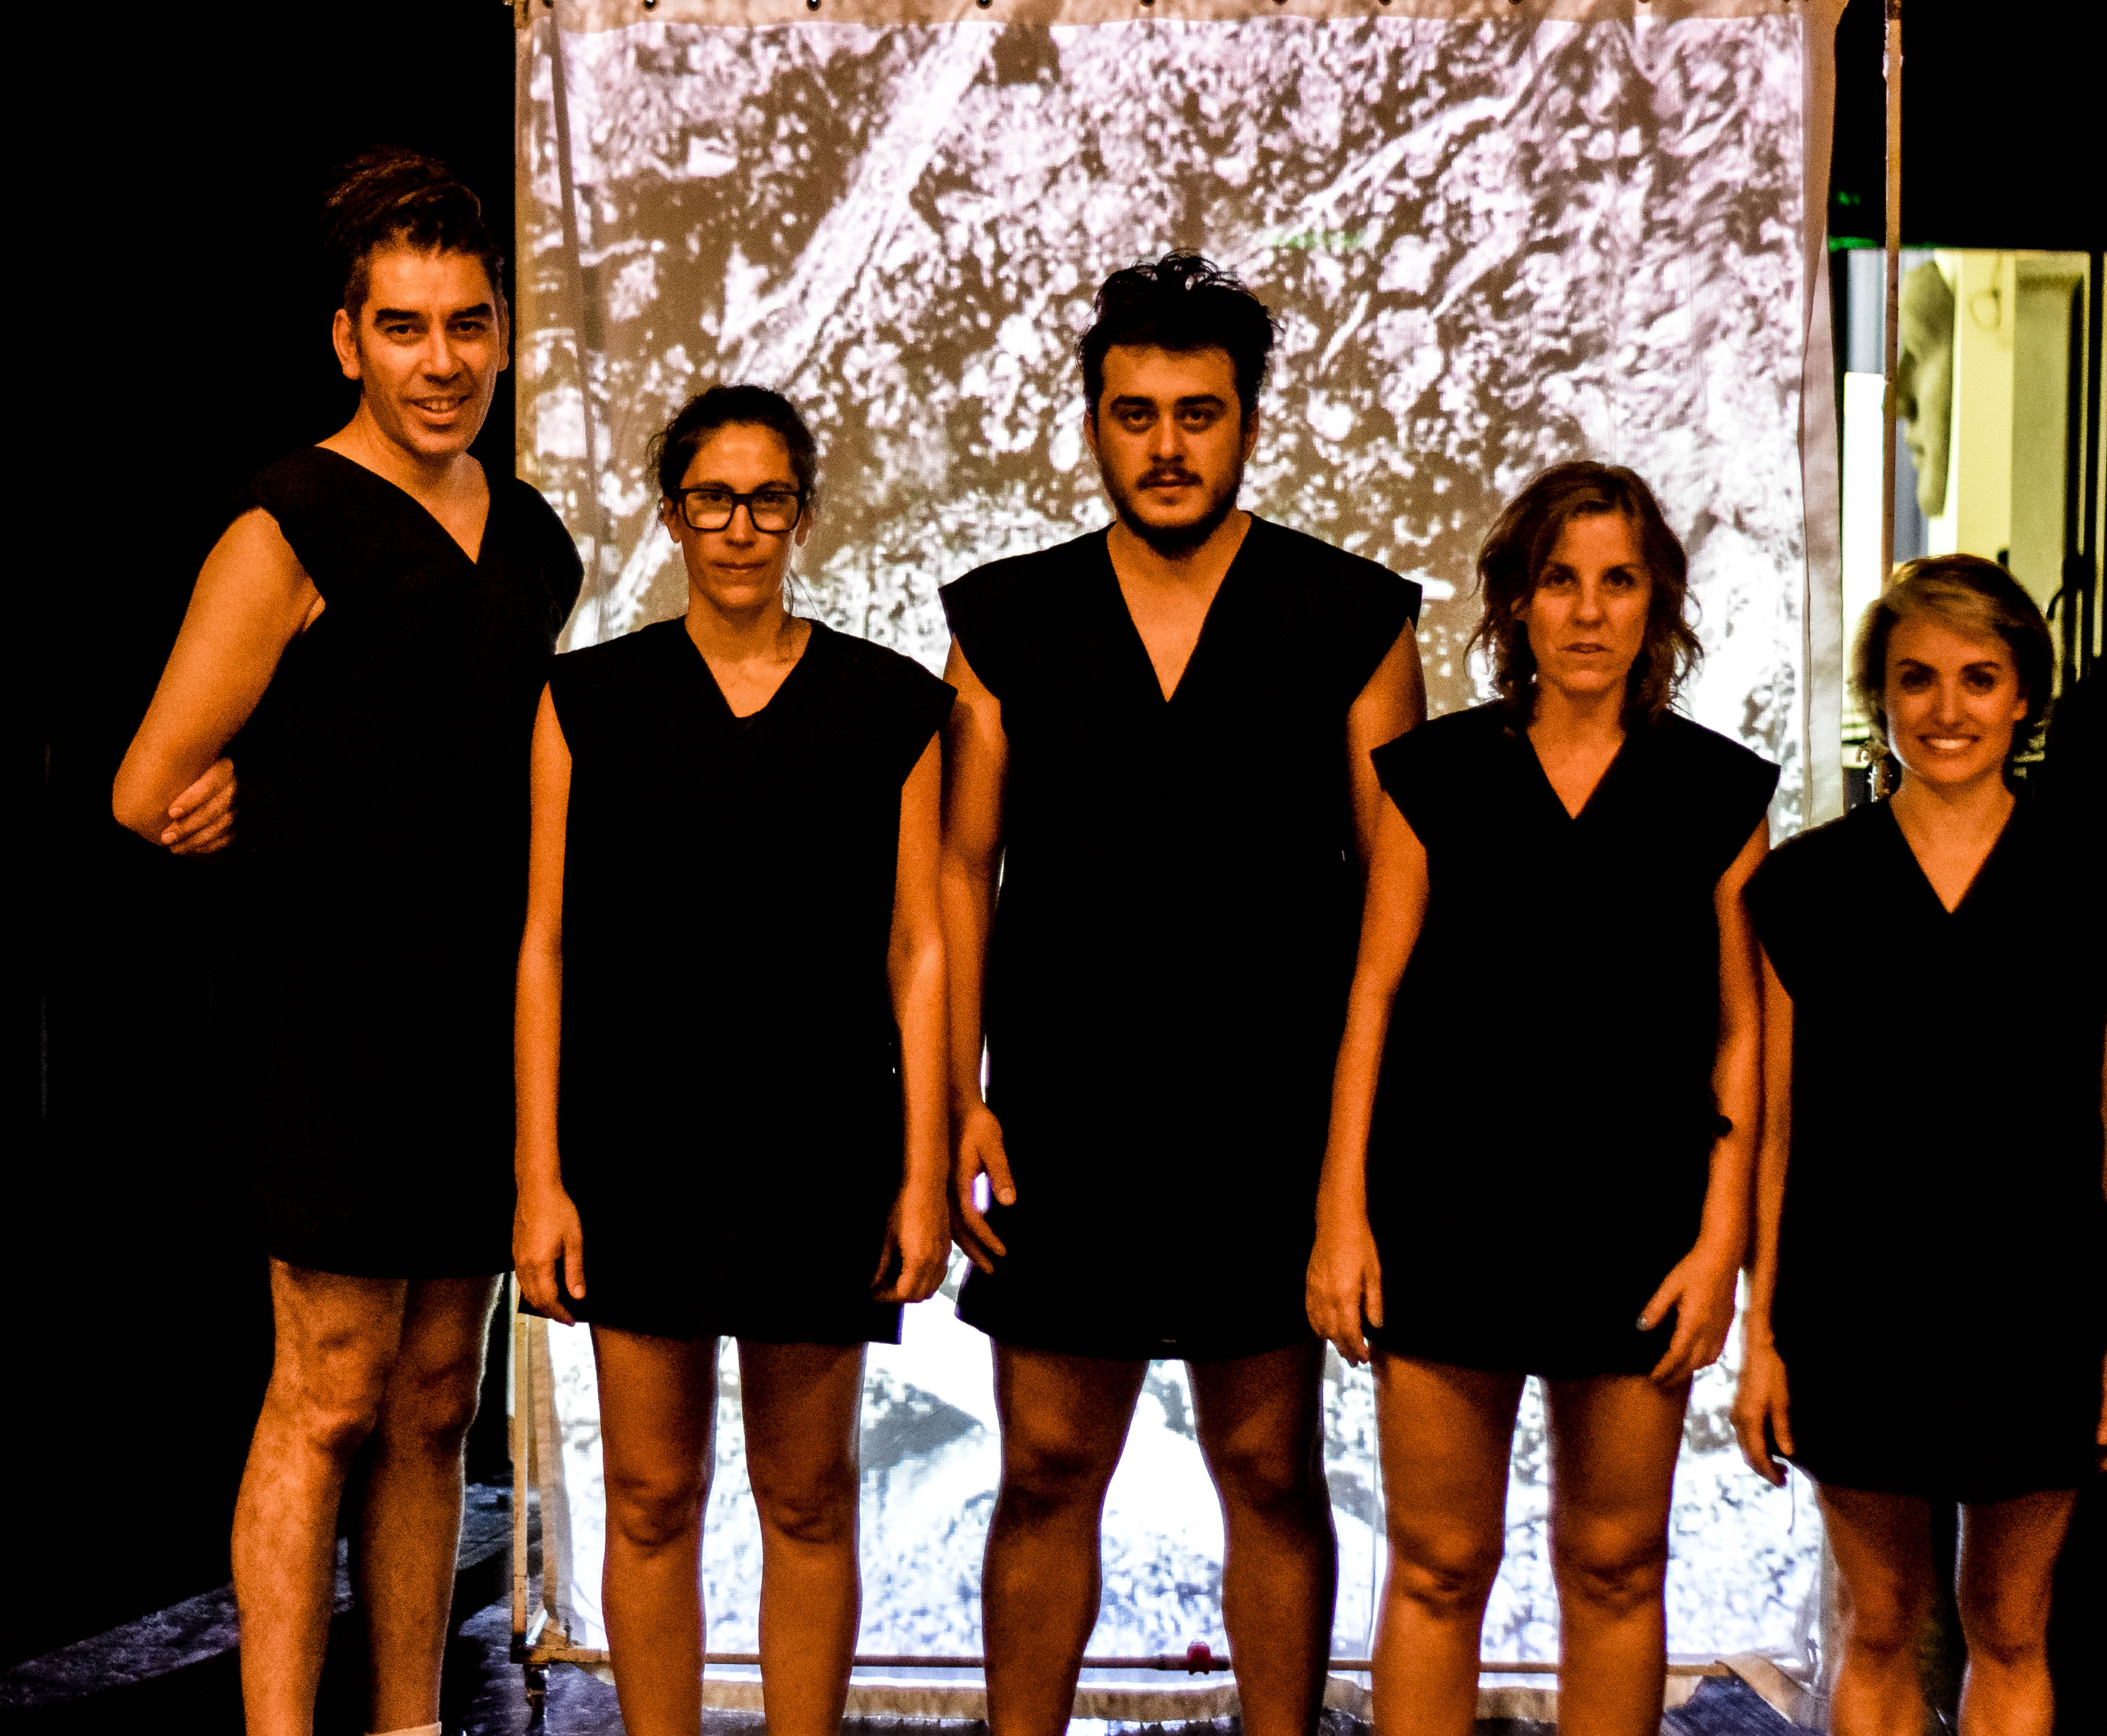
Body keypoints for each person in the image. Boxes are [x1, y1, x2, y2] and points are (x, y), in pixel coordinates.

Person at [111, 151, 581, 1736]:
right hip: (328, 1022)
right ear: (345, 340)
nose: (440, 362)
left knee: (439, 1400)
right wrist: (258, 793)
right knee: (325, 1394)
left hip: (477, 1020)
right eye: (403, 327)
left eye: (466, 325)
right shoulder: (289, 522)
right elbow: (145, 788)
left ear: (502, 334)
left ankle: (407, 1725)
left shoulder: (532, 537)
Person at [939, 252, 1425, 1736]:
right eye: (1135, 414)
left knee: (1271, 1473)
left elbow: (1399, 895)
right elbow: (957, 871)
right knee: (1044, 1472)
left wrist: (1356, 1156)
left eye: (1197, 415)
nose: (1166, 446)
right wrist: (959, 1098)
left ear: (1248, 426)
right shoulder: (1007, 617)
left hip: (1269, 1125)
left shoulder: (1349, 615)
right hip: (1063, 1118)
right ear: (1092, 424)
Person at [1306, 461, 1777, 1736]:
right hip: (1447, 1212)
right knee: (1438, 1563)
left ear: (1655, 603)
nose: (1587, 610)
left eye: (1617, 582)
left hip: (1639, 1224)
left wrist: (1721, 1242)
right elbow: (1371, 997)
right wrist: (1341, 1218)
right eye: (1559, 581)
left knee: (1616, 1566)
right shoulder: (1432, 775)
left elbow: (1743, 1035)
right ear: (1516, 602)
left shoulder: (1719, 793)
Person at [512, 385, 954, 1736]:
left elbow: (918, 950)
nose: (741, 527)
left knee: (808, 1497)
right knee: (652, 1496)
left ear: (803, 517)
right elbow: (545, 947)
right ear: (673, 515)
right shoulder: (587, 701)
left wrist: (922, 1172)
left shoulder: (889, 707)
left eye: (768, 500)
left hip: (821, 1150)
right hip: (639, 1150)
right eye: (714, 499)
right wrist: (540, 1179)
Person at [1733, 555, 2107, 1736]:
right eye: (1916, 678)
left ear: (2023, 696)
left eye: (1978, 678)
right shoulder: (1805, 888)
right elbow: (1778, 1130)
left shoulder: (2092, 882)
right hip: (1855, 1305)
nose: (1946, 708)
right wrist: (1762, 1336)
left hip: (2041, 1306)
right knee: (1877, 1622)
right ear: (1881, 696)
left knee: (2009, 1625)